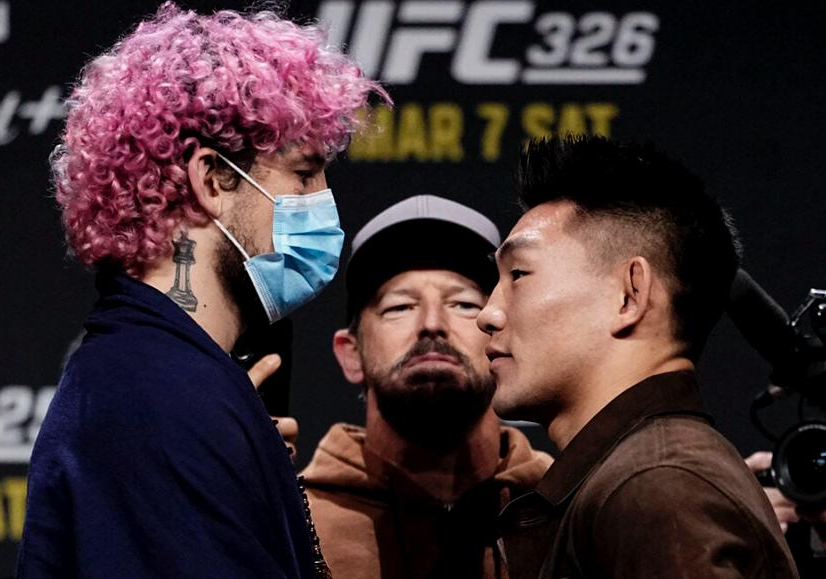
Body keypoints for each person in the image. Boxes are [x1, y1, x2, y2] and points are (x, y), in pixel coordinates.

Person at [19, 4, 383, 578]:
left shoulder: (156, 382)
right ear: (212, 179)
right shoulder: (157, 400)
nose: (323, 202)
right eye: (304, 174)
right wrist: (205, 424)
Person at [476, 136, 799, 578]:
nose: (488, 314)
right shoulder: (642, 477)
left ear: (629, 295)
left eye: (518, 274)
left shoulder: (659, 487)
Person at [298, 195, 552, 579]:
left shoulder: (568, 508)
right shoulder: (290, 523)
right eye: (399, 307)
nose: (432, 324)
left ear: (503, 339)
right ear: (351, 354)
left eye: (464, 304)